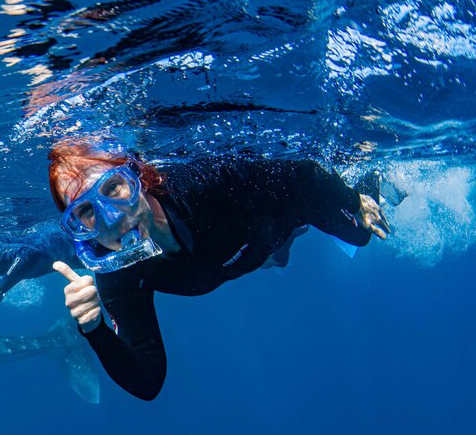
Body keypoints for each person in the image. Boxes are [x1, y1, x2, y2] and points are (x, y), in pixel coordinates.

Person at [49, 140, 393, 400]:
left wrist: (349, 199)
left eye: (112, 188)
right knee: (276, 257)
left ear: (137, 176)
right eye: (86, 211)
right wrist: (93, 329)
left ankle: (366, 168)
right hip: (254, 247)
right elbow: (147, 380)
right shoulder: (120, 272)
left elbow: (300, 171)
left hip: (291, 203)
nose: (113, 219)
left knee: (359, 235)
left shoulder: (202, 184)